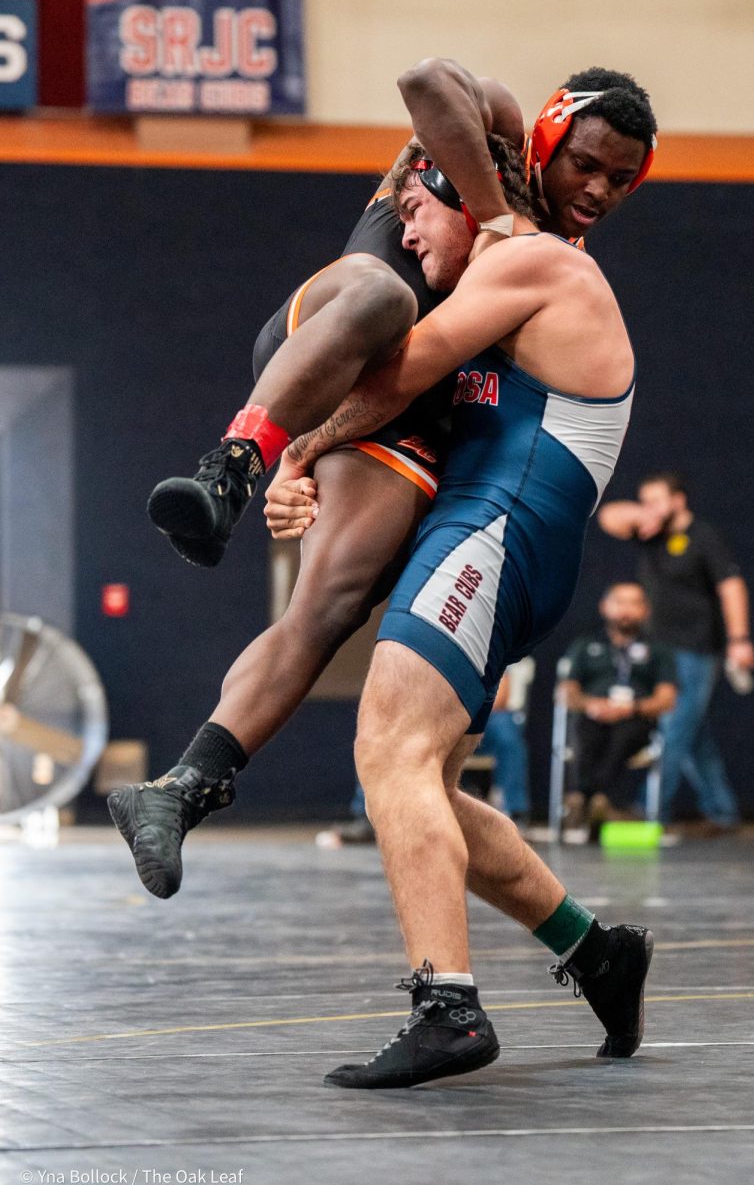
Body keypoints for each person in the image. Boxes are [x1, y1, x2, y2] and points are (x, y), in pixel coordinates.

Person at [107, 66, 659, 896]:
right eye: (586, 164)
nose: (598, 188)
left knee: (332, 607)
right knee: (383, 291)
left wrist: (309, 454)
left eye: (621, 179)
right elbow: (425, 80)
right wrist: (495, 214)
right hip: (335, 349)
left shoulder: (553, 259)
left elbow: (414, 389)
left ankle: (184, 787)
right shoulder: (494, 151)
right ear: (545, 137)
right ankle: (231, 467)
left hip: (403, 418)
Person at [250, 137, 653, 1089]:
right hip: (491, 540)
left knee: (387, 752)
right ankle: (596, 952)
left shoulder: (531, 258)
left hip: (496, 534)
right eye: (585, 167)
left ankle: (450, 1009)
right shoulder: (498, 275)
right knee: (425, 783)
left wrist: (283, 445)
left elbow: (397, 372)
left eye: (422, 212)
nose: (407, 231)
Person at [598, 472, 754, 833]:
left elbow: (732, 586)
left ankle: (649, 808)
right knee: (694, 734)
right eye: (644, 500)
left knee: (675, 726)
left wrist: (739, 639)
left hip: (696, 649)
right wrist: (643, 515)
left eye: (656, 500)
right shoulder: (651, 532)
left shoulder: (703, 537)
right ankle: (722, 811)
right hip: (659, 650)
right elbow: (608, 516)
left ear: (679, 500)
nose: (649, 507)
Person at [560, 582, 677, 835]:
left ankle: (584, 797)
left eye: (634, 603)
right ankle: (599, 800)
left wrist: (631, 708)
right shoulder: (585, 645)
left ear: (645, 610)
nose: (626, 610)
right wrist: (591, 704)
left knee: (625, 733)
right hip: (593, 715)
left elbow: (667, 699)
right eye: (619, 602)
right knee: (584, 728)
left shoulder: (658, 650)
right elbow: (566, 691)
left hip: (636, 719)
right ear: (605, 607)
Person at [472, 660, 533, 826]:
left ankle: (514, 809)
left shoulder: (492, 648)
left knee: (506, 725)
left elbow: (501, 697)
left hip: (483, 720)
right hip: (445, 717)